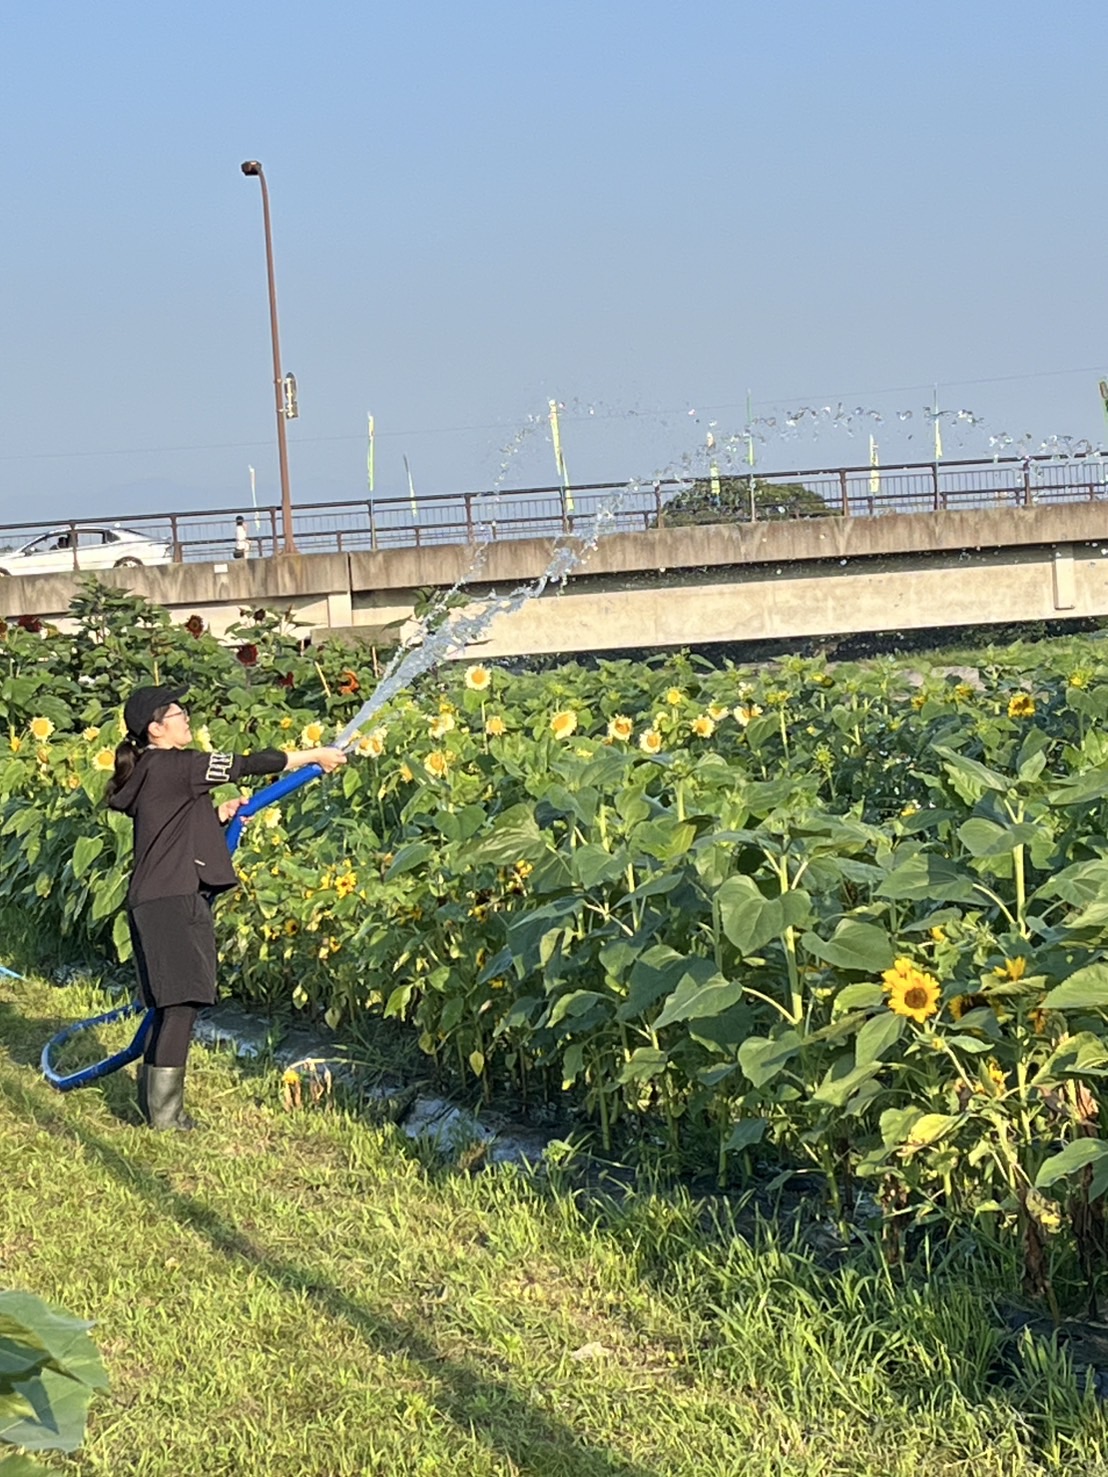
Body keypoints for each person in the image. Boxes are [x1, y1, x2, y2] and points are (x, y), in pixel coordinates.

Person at [106, 684, 346, 1130]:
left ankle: (157, 1111)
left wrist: (217, 815)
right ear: (156, 729)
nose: (186, 718)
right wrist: (315, 755)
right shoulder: (176, 764)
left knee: (169, 1005)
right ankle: (167, 1119)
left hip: (158, 898)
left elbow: (172, 826)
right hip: (173, 900)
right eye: (178, 712)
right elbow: (248, 764)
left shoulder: (155, 771)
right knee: (181, 1005)